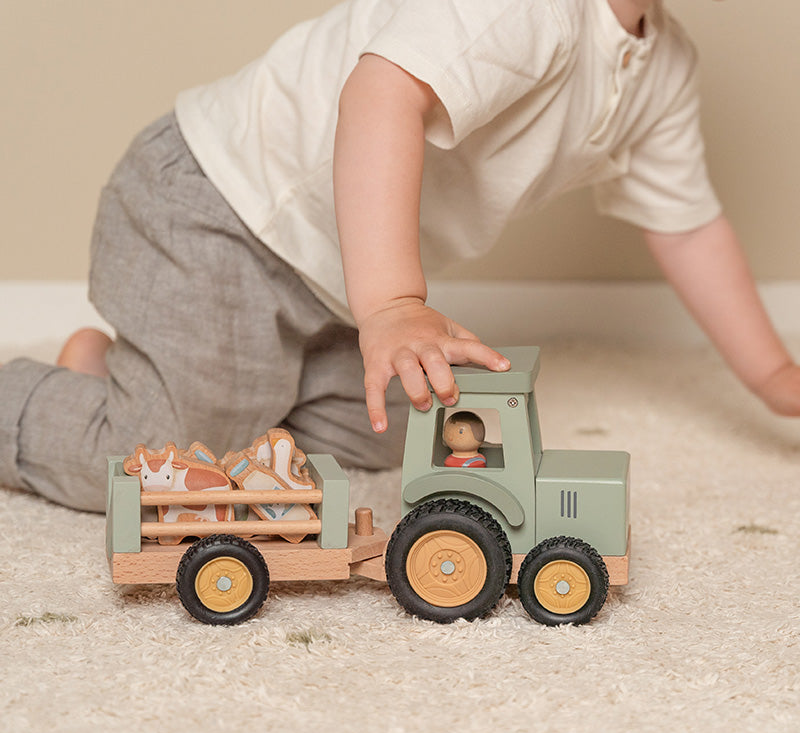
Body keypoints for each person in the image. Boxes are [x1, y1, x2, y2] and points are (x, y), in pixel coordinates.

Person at [2, 0, 799, 512]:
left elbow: (686, 223)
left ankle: (163, 376)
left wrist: (772, 378)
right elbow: (382, 91)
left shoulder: (665, 65)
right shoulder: (527, 9)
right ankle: (91, 401)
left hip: (327, 281)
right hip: (220, 211)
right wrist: (393, 305)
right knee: (174, 471)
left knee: (417, 432)